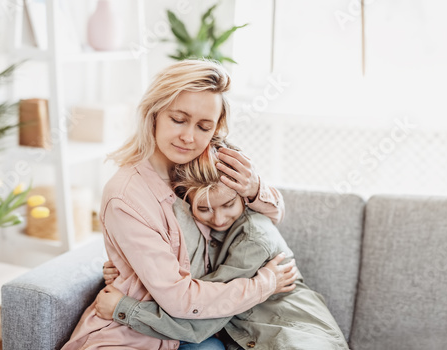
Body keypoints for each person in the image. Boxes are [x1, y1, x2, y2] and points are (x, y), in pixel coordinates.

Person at [61, 60, 299, 350]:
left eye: (203, 126)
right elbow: (179, 297)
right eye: (178, 119)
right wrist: (264, 284)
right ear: (154, 114)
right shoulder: (126, 196)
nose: (189, 137)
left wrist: (253, 188)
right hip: (132, 337)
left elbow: (274, 213)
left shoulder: (207, 165)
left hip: (191, 331)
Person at [97, 141, 350, 350]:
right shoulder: (202, 231)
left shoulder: (253, 239)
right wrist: (129, 271)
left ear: (244, 195)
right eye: (204, 209)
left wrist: (125, 310)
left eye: (228, 204)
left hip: (295, 340)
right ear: (187, 202)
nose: (218, 219)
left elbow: (203, 317)